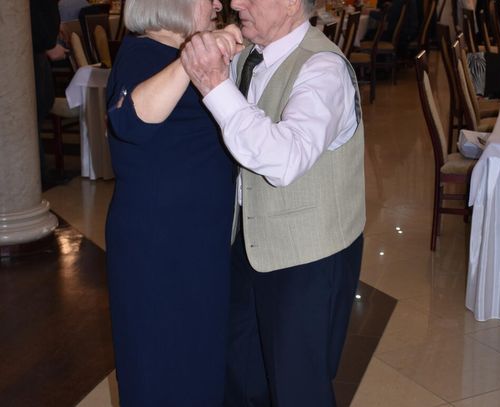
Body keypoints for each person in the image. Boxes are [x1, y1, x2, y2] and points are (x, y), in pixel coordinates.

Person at [181, 0, 366, 404]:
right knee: (241, 377)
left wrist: (216, 85)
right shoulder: (248, 55)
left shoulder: (323, 69)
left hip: (308, 257)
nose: (235, 3)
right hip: (249, 242)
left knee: (298, 388)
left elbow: (286, 161)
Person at [104, 0, 242, 405]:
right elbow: (129, 120)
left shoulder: (173, 52)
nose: (218, 4)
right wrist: (192, 58)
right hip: (160, 249)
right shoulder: (143, 53)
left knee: (197, 359)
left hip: (196, 243)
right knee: (159, 364)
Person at [29, 0, 69, 187]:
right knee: (32, 115)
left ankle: (40, 173)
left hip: (36, 50)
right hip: (34, 51)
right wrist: (49, 44)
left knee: (35, 113)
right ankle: (39, 175)